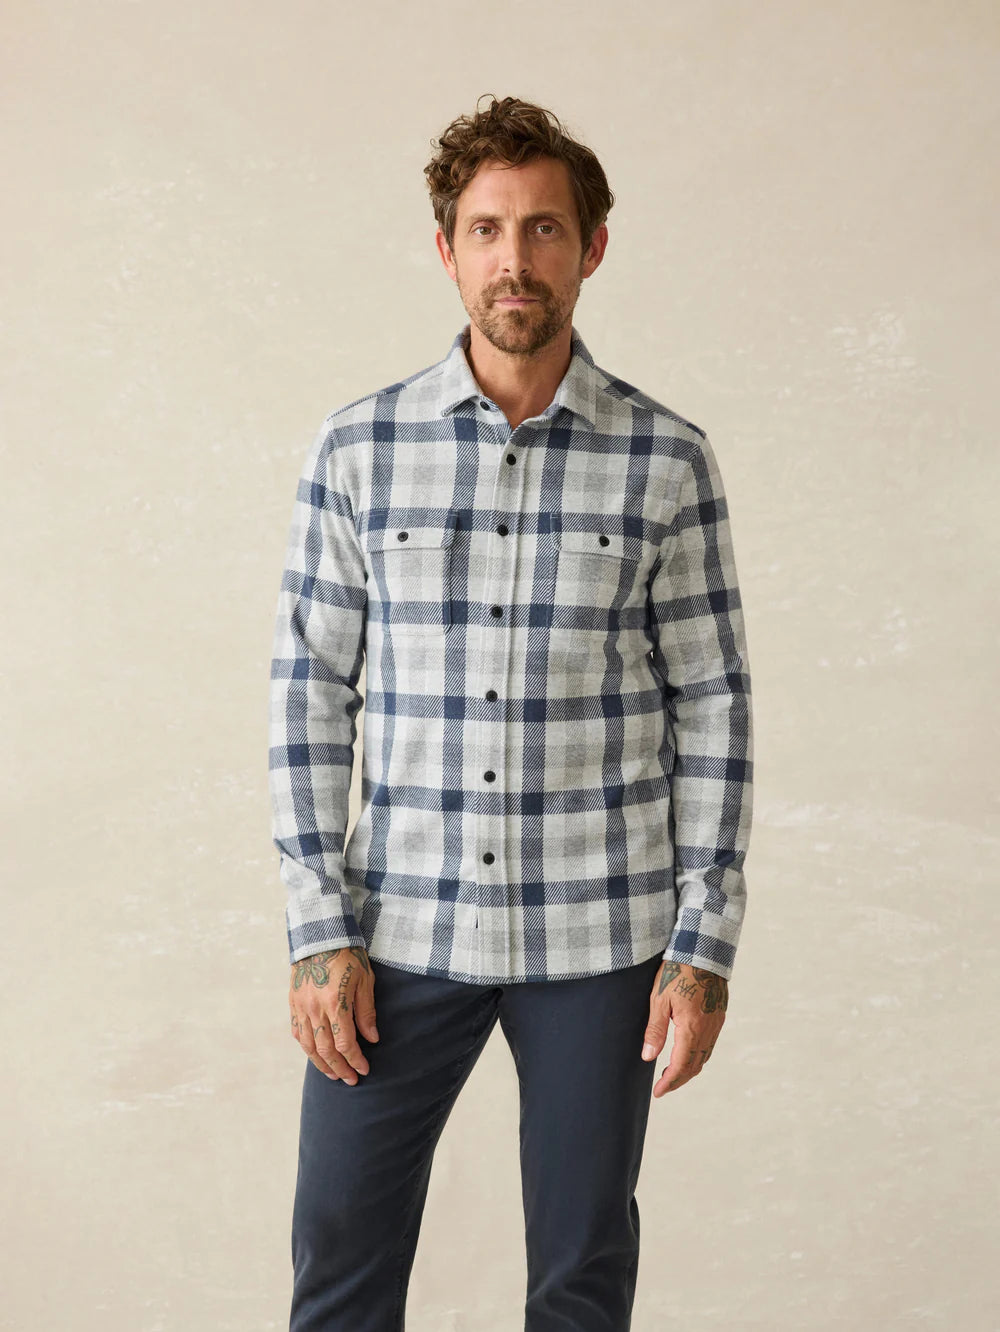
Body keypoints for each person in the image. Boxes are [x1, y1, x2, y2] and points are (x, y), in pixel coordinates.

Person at [268, 92, 754, 1332]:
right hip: (397, 929)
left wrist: (702, 945)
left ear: (592, 248)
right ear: (447, 250)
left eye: (544, 228)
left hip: (600, 933)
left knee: (581, 1273)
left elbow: (711, 703)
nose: (514, 259)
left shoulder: (666, 460)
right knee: (339, 1253)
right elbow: (309, 693)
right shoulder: (358, 450)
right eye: (486, 230)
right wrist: (317, 927)